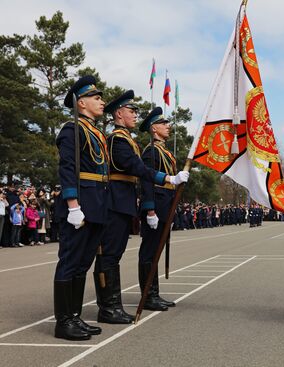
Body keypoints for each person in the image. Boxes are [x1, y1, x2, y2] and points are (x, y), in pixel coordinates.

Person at [95, 91, 188, 324]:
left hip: (125, 201)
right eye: (131, 111)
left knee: (120, 254)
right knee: (112, 255)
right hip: (117, 201)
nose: (135, 114)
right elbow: (141, 173)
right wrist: (151, 206)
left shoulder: (129, 141)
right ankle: (110, 307)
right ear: (119, 114)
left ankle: (122, 303)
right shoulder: (119, 140)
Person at [53, 75, 107, 341]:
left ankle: (74, 316)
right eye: (97, 98)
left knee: (82, 263)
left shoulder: (94, 132)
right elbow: (67, 169)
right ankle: (63, 322)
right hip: (80, 205)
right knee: (70, 261)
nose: (102, 102)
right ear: (81, 103)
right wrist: (72, 204)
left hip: (96, 204)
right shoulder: (71, 130)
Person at [138, 107, 188, 311]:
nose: (168, 126)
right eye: (163, 124)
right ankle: (148, 296)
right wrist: (150, 210)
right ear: (154, 129)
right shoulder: (151, 151)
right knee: (149, 252)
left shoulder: (164, 151)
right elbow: (147, 181)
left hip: (165, 204)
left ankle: (154, 293)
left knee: (156, 253)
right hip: (156, 206)